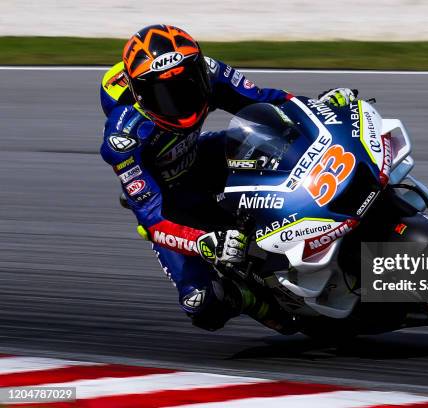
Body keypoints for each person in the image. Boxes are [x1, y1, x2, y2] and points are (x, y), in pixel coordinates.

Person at [100, 24, 356, 331]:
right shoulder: (124, 138)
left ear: (198, 70)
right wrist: (202, 242)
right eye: (164, 94)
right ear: (141, 94)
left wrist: (319, 107)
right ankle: (253, 299)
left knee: (271, 136)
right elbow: (152, 220)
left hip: (200, 154)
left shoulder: (212, 72)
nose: (179, 99)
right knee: (202, 303)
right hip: (169, 200)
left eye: (187, 84)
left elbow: (267, 101)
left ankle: (322, 215)